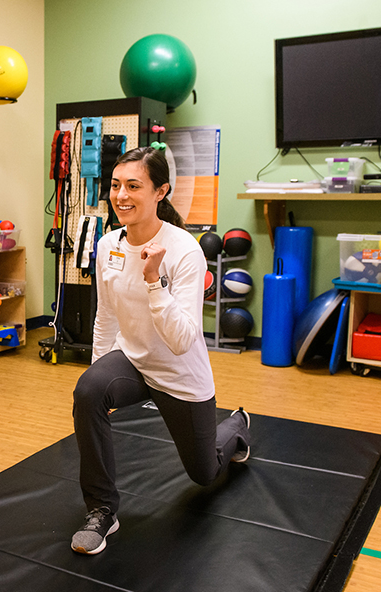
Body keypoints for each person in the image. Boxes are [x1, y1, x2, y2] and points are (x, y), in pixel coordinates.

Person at [70, 146, 250, 555]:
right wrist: (99, 381)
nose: (121, 196)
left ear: (160, 192)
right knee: (87, 390)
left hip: (178, 372)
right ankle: (101, 510)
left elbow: (181, 340)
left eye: (134, 186)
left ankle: (237, 427)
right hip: (132, 361)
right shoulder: (107, 246)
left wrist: (154, 280)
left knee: (204, 473)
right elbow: (106, 317)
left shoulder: (185, 250)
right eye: (116, 186)